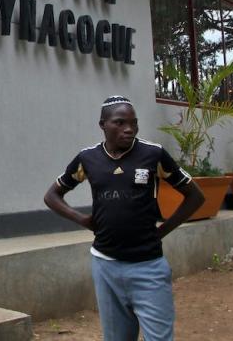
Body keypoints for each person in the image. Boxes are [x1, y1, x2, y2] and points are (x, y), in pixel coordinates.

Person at [43, 95, 205, 341]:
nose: (129, 129)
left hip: (148, 266)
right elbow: (52, 195)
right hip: (105, 265)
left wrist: (163, 230)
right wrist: (83, 219)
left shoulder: (153, 154)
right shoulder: (88, 159)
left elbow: (194, 197)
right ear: (103, 125)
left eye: (133, 123)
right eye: (120, 122)